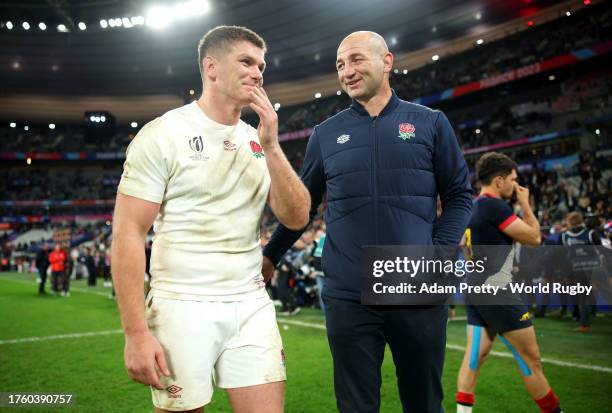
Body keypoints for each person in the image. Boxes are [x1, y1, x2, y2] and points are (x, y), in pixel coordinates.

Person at [263, 31, 472, 412]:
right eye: (340, 65)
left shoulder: (430, 123)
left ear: (387, 62)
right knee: (355, 406)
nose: (347, 71)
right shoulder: (325, 135)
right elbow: (301, 208)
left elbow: (459, 195)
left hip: (416, 288)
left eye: (356, 59)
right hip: (349, 293)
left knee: (424, 403)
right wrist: (271, 254)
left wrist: (438, 252)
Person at [111, 25, 310, 413]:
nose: (258, 73)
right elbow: (128, 233)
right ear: (211, 67)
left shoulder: (257, 139)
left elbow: (297, 215)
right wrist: (135, 333)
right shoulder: (164, 134)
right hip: (181, 304)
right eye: (247, 62)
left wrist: (271, 144)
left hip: (250, 301)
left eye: (261, 66)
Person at [456, 152, 563, 413]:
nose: (517, 186)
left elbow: (463, 245)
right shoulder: (494, 206)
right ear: (499, 180)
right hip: (498, 292)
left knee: (473, 359)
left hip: (475, 289)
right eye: (514, 180)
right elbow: (535, 238)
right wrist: (526, 203)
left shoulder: (472, 207)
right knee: (531, 360)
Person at [560, 211, 602, 332]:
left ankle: (585, 324)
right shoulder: (590, 233)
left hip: (580, 268)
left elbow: (565, 254)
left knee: (582, 296)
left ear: (570, 221)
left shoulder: (565, 236)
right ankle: (586, 321)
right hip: (594, 267)